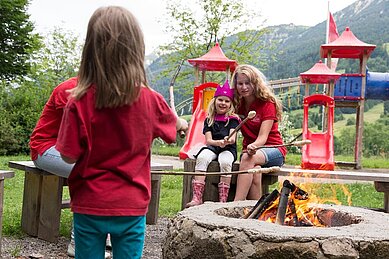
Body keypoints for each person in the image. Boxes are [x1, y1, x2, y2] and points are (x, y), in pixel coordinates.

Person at [56, 6, 188, 259]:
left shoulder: (78, 101)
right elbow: (174, 127)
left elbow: (68, 157)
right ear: (136, 50)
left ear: (90, 51)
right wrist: (182, 124)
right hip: (131, 204)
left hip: (89, 203)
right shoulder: (151, 100)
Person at [29, 78, 111, 258]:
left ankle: (103, 231)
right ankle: (79, 244)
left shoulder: (103, 92)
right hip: (45, 148)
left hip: (71, 150)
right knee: (91, 174)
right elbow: (81, 130)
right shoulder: (69, 89)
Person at [232, 64, 286, 201]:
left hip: (272, 149)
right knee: (255, 172)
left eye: (248, 83)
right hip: (251, 152)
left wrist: (254, 146)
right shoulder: (237, 104)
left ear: (255, 83)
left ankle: (236, 203)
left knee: (247, 158)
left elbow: (263, 137)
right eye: (240, 83)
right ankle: (255, 211)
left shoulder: (267, 103)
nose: (244, 87)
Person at [185, 81, 240, 208]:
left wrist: (227, 140)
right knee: (202, 157)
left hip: (228, 149)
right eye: (220, 99)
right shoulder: (209, 119)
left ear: (230, 104)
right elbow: (208, 140)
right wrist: (218, 143)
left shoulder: (233, 119)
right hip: (213, 146)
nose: (223, 103)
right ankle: (197, 197)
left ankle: (223, 200)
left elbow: (233, 138)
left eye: (227, 101)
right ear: (214, 100)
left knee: (225, 162)